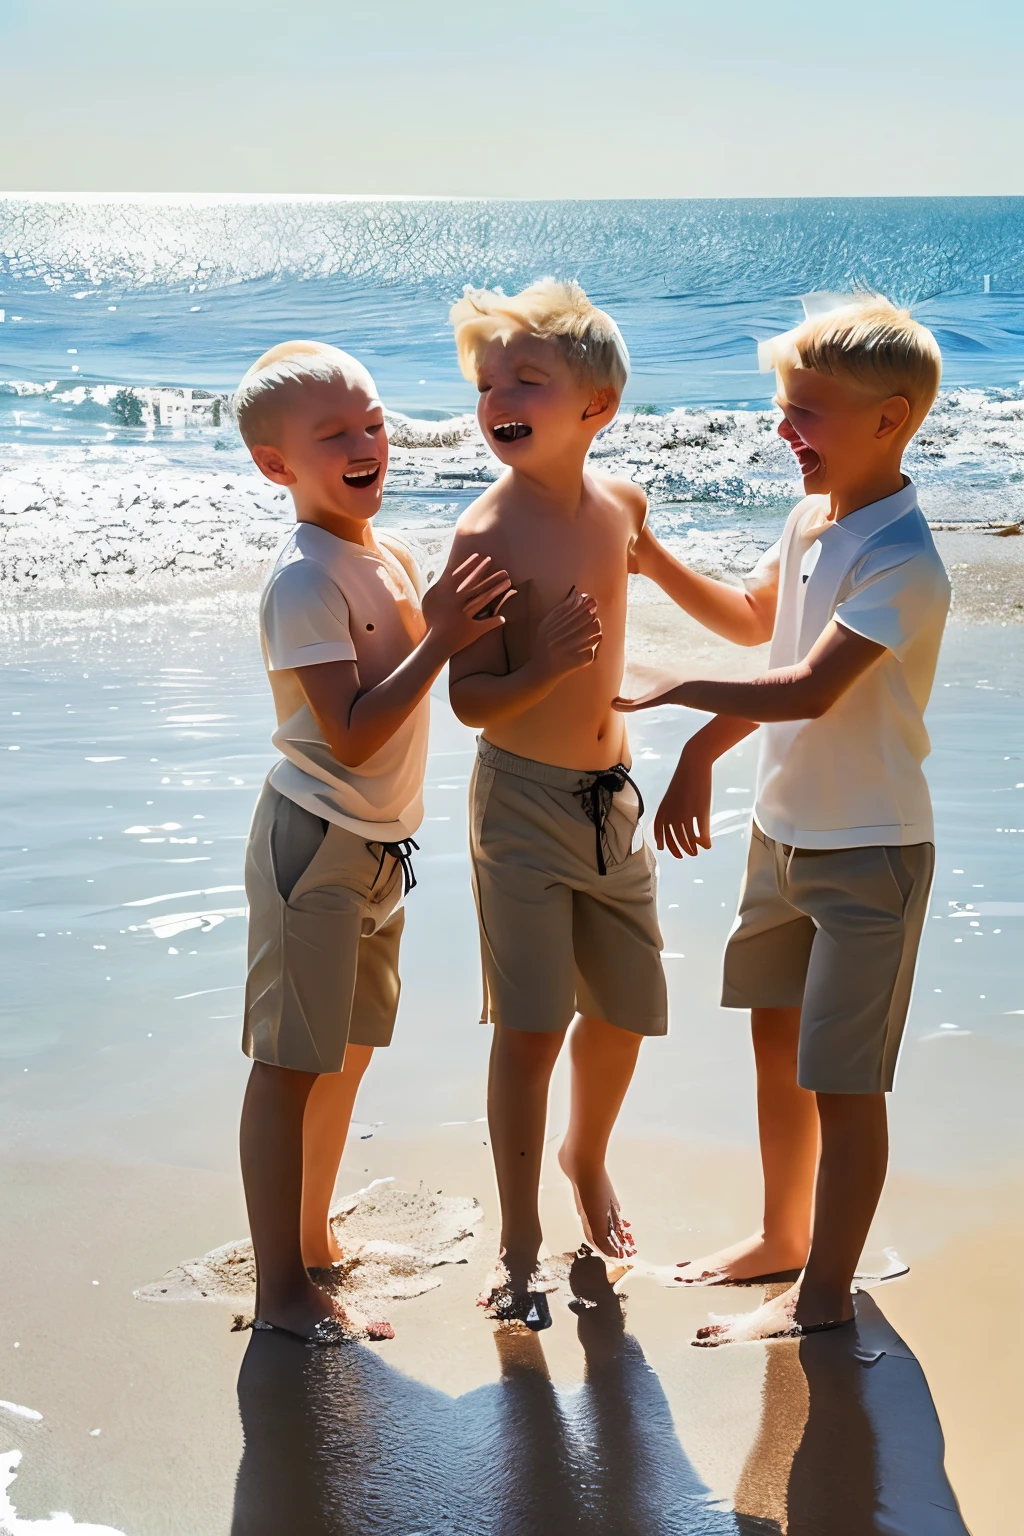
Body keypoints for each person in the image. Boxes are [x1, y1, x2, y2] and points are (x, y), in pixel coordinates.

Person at [617, 294, 950, 1341]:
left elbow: (807, 688)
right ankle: (780, 1234)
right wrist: (651, 559)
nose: (780, 429)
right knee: (774, 1051)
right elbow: (762, 627)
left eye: (804, 411)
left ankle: (819, 1298)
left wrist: (672, 691)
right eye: (779, 405)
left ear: (889, 419)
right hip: (782, 838)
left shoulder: (905, 563)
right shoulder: (812, 518)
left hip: (868, 856)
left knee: (842, 1085)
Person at [235, 341, 512, 1343]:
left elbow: (430, 658)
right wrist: (440, 636)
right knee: (288, 1063)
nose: (366, 444)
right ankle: (279, 1293)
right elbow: (352, 728)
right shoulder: (305, 576)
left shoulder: (380, 553)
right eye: (334, 434)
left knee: (344, 1056)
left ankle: (313, 1244)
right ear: (278, 467)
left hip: (379, 849)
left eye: (375, 423)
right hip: (315, 844)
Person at [446, 280, 668, 1328]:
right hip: (521, 807)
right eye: (489, 383)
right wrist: (537, 665)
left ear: (596, 408)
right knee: (532, 1027)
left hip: (612, 795)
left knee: (622, 1010)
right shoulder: (483, 536)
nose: (499, 396)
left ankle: (586, 1156)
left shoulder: (620, 505)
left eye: (526, 380)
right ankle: (519, 1237)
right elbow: (470, 701)